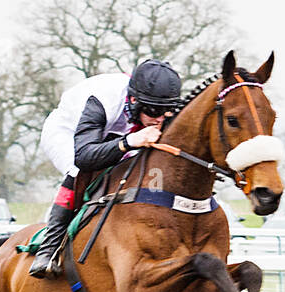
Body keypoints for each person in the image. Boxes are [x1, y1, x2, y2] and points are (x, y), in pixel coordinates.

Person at [28, 58, 184, 278]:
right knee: (76, 170)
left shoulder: (152, 111)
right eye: (153, 112)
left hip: (116, 133)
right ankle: (48, 249)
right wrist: (129, 141)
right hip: (70, 133)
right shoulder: (104, 98)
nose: (158, 120)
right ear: (134, 100)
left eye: (165, 112)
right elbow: (84, 157)